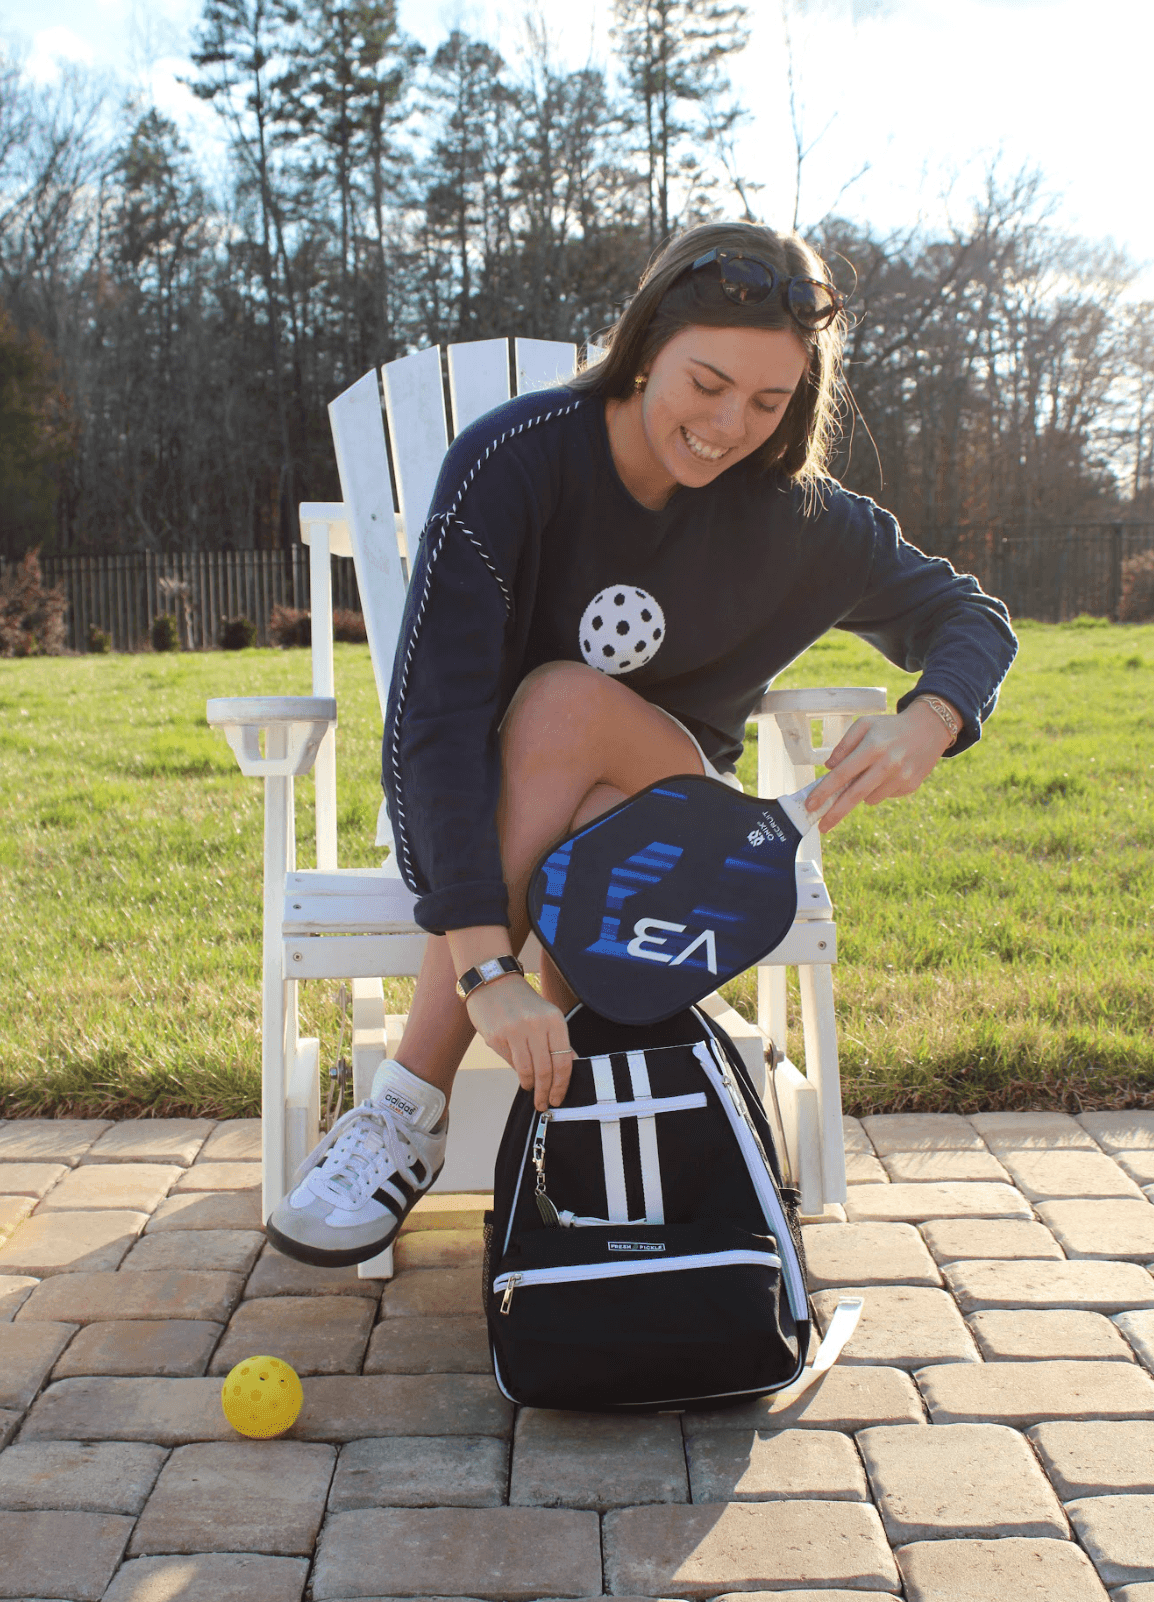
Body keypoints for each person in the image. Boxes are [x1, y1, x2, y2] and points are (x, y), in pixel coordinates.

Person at [266, 220, 1018, 1269]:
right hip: (498, 826)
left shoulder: (795, 518)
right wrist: (491, 966)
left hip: (682, 840)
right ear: (646, 341)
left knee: (565, 707)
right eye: (705, 383)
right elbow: (431, 723)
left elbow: (970, 620)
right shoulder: (516, 461)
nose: (726, 426)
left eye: (768, 402)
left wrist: (929, 717)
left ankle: (404, 1110)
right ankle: (561, 1138)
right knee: (556, 733)